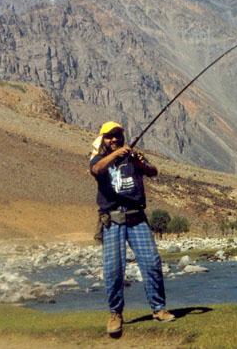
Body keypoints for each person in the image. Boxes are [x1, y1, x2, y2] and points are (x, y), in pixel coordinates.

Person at [89, 121, 175, 335]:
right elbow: (96, 169)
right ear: (103, 139)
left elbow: (153, 172)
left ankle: (159, 309)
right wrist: (116, 155)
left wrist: (140, 165)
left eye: (118, 135)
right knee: (114, 269)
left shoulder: (134, 156)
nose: (115, 139)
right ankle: (115, 314)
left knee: (152, 263)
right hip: (112, 220)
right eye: (109, 136)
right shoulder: (98, 158)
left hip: (137, 218)